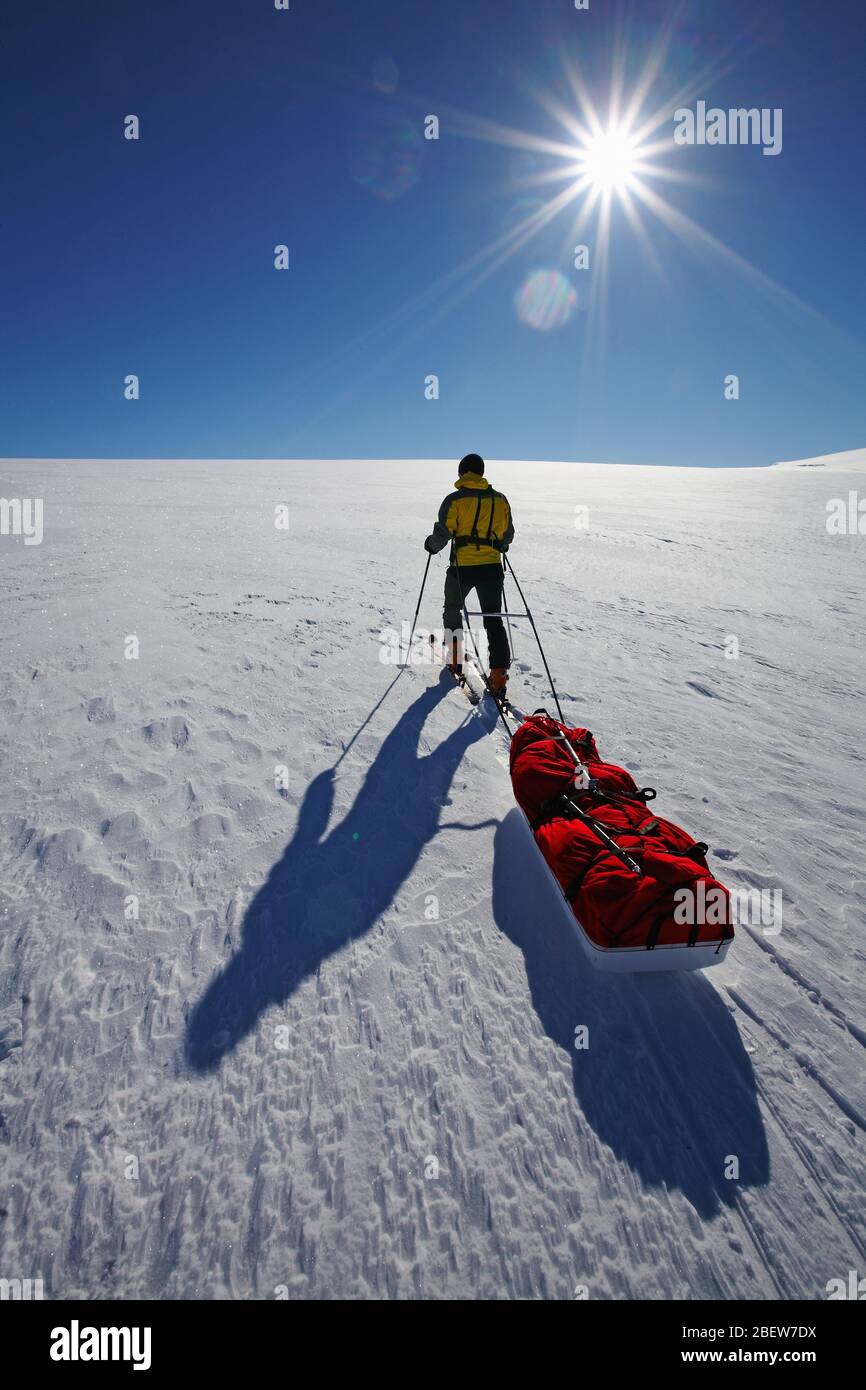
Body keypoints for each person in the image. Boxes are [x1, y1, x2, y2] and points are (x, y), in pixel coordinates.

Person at [424, 453, 514, 693]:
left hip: (462, 569)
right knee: (493, 619)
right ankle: (498, 675)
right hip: (492, 569)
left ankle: (455, 659)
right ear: (482, 472)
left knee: (453, 610)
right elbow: (507, 537)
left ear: (462, 472)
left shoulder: (455, 500)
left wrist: (431, 544)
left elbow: (444, 533)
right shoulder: (501, 500)